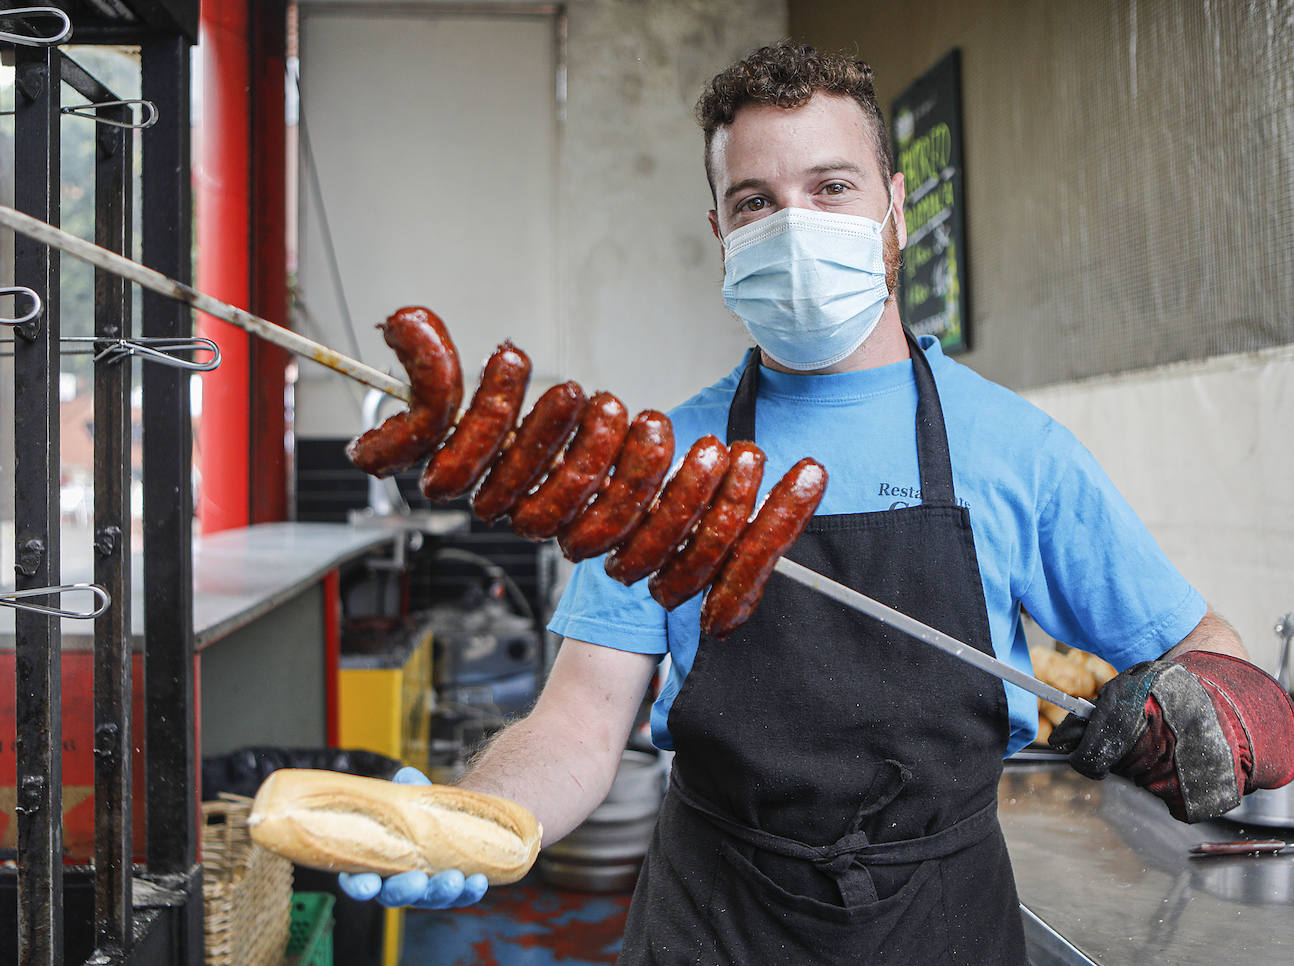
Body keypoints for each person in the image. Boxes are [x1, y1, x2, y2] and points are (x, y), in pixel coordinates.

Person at [341, 41, 1294, 962]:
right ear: (719, 231)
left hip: (945, 917)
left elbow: (1198, 643)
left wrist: (1217, 707)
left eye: (831, 187)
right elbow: (578, 727)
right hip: (716, 917)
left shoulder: (1015, 447)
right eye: (756, 201)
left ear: (896, 206)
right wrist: (481, 813)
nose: (793, 226)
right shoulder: (664, 467)